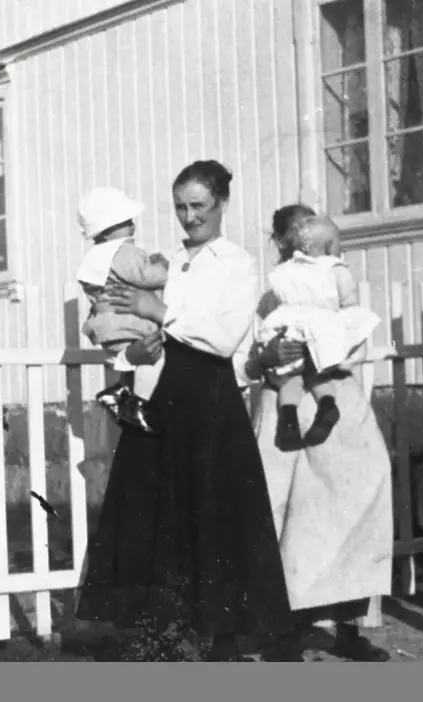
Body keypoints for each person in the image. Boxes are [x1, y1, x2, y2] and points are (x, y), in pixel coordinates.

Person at [73, 160, 296, 662]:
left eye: (199, 206)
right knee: (156, 518)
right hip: (158, 399)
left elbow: (222, 337)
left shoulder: (236, 263)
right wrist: (135, 353)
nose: (189, 217)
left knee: (218, 518)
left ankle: (225, 638)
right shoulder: (157, 260)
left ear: (221, 204)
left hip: (210, 400)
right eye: (180, 206)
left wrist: (158, 312)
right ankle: (162, 635)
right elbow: (121, 340)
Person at [244, 205, 395, 662]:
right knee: (288, 510)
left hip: (335, 399)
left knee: (355, 496)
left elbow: (358, 334)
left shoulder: (335, 282)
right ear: (284, 245)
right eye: (292, 240)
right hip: (284, 406)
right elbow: (249, 360)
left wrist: (323, 342)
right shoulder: (272, 295)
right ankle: (284, 628)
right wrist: (271, 354)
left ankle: (349, 626)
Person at [256, 214, 381, 449]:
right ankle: (324, 407)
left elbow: (270, 315)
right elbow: (350, 310)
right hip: (320, 342)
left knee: (289, 381)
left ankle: (289, 419)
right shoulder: (334, 270)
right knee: (316, 376)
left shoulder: (284, 278)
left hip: (294, 341)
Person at [75, 186, 167, 435]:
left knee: (133, 360)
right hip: (128, 323)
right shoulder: (124, 252)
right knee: (152, 357)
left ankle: (118, 392)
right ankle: (138, 403)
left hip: (108, 326)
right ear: (106, 231)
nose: (132, 226)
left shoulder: (95, 257)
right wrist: (161, 264)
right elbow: (146, 276)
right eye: (125, 221)